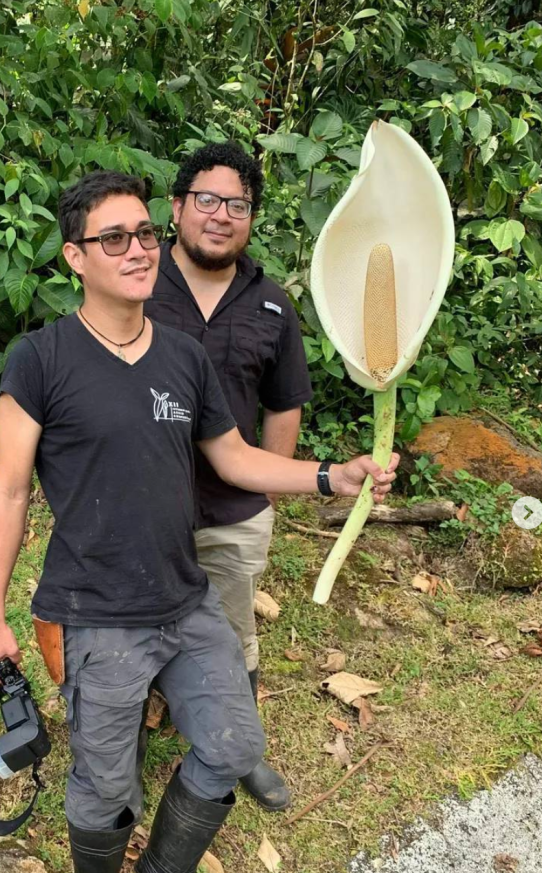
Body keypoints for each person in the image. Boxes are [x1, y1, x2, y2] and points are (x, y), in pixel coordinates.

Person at [0, 170, 397, 873]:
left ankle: (167, 868)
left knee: (234, 742)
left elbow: (232, 456)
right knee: (103, 782)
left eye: (143, 235)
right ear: (74, 258)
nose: (137, 250)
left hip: (183, 595)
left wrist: (326, 478)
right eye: (114, 239)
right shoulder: (41, 359)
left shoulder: (181, 356)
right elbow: (8, 490)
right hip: (96, 610)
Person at [144, 141, 312, 812]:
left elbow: (284, 403)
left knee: (232, 633)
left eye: (236, 204)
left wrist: (264, 490)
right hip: (142, 511)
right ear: (177, 208)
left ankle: (241, 749)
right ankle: (124, 737)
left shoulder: (271, 307)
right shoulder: (134, 278)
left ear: (250, 218)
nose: (220, 215)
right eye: (206, 200)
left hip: (230, 512)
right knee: (129, 633)